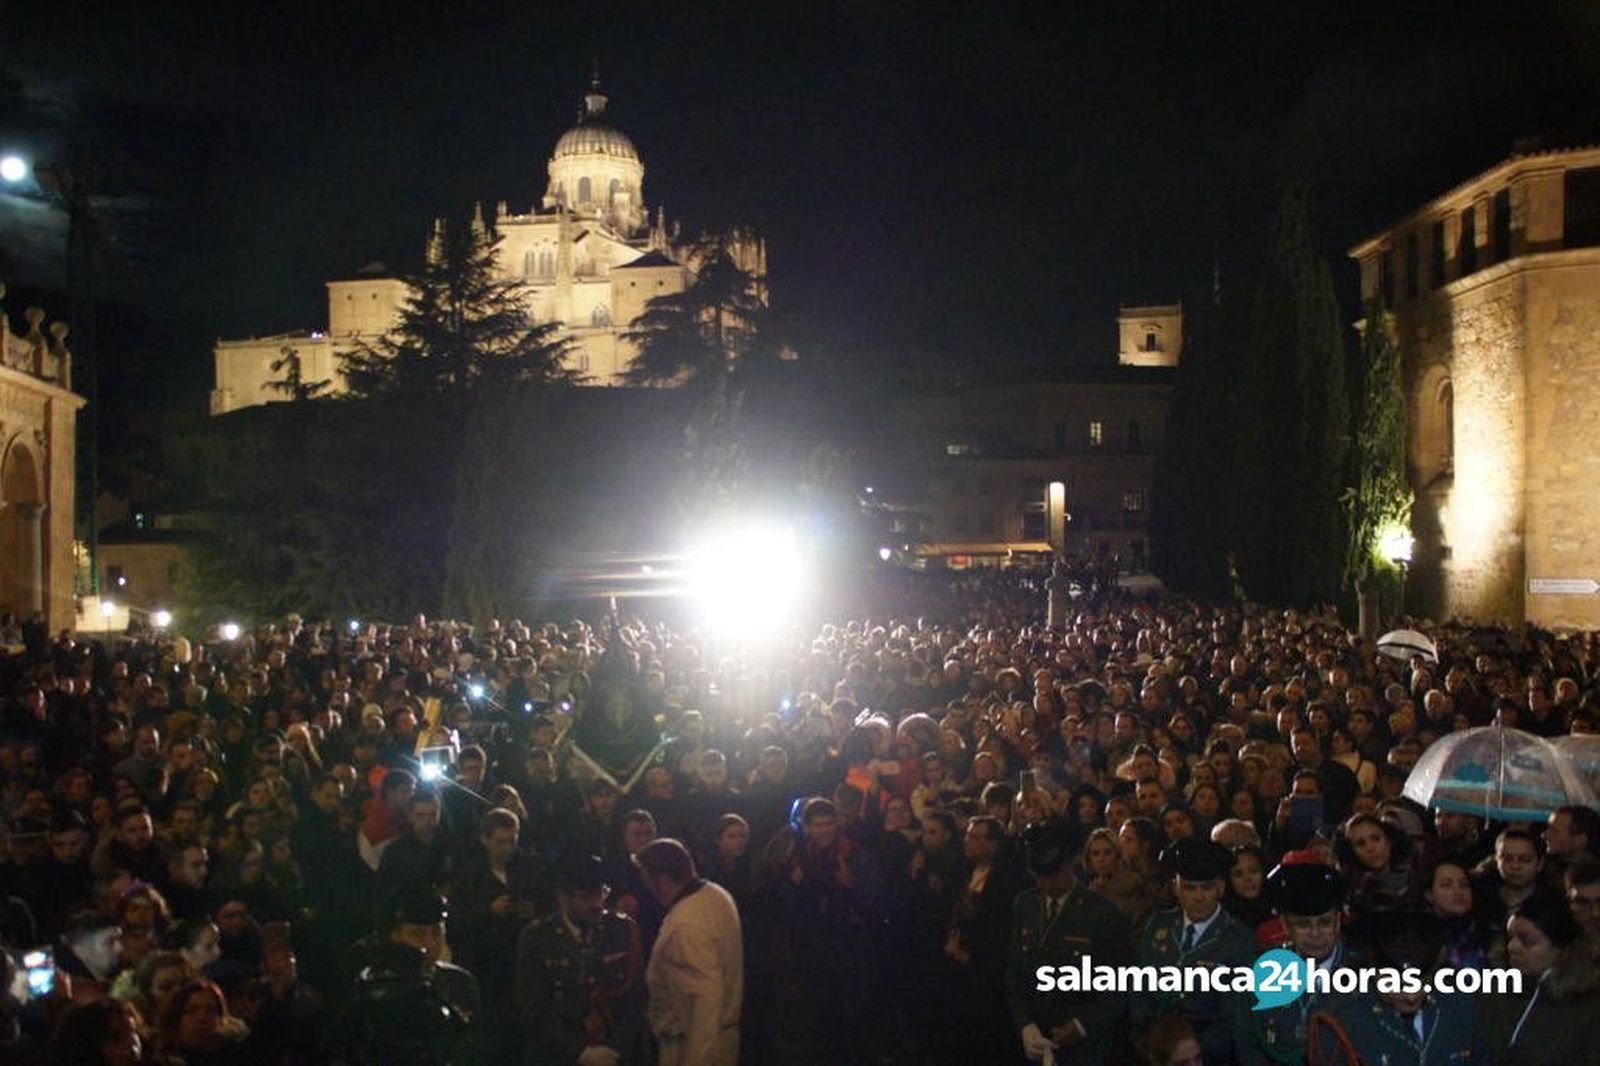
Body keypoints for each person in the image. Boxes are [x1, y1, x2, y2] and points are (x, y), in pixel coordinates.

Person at [1006, 821, 1134, 1065]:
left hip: (1084, 1046)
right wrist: (1025, 1024)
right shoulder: (1025, 905)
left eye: (1054, 874)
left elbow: (1124, 981)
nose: (1048, 883)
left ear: (1071, 864)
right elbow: (1015, 971)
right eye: (1040, 876)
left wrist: (1083, 1024)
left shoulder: (1101, 911)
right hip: (1035, 1040)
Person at [1309, 910, 1489, 1065]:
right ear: (1374, 971)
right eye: (1396, 984)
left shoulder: (1460, 1009)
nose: (1411, 996)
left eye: (1421, 982)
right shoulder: (1342, 1022)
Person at [515, 852, 646, 1066]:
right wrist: (581, 1052)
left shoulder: (622, 929)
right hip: (560, 1055)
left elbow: (638, 996)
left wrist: (614, 1049)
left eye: (600, 893)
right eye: (585, 897)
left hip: (616, 1054)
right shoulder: (538, 937)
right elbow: (534, 1009)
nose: (597, 904)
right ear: (563, 898)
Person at [1133, 838, 1256, 1060]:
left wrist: (1188, 1051)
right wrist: (1148, 1039)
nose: (1199, 897)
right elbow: (1140, 987)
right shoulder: (1158, 925)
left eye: (1207, 887)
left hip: (1209, 1054)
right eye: (1189, 888)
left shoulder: (1240, 939)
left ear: (1220, 888)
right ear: (1175, 888)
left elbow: (1235, 1018)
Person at [1232, 862, 1358, 1066]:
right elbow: (1247, 1043)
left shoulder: (1365, 974)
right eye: (1303, 924)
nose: (1315, 934)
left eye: (1324, 922)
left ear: (1338, 922)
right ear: (1284, 925)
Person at [635, 838, 742, 1066]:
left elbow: (703, 1007)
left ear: (662, 882)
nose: (644, 885)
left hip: (690, 1048)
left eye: (645, 878)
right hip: (721, 1040)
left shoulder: (685, 926)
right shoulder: (716, 894)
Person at [1480, 891, 1600, 1064]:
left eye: (1527, 941)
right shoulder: (1492, 990)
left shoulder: (1589, 1005)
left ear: (1560, 947)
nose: (1513, 947)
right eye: (1510, 938)